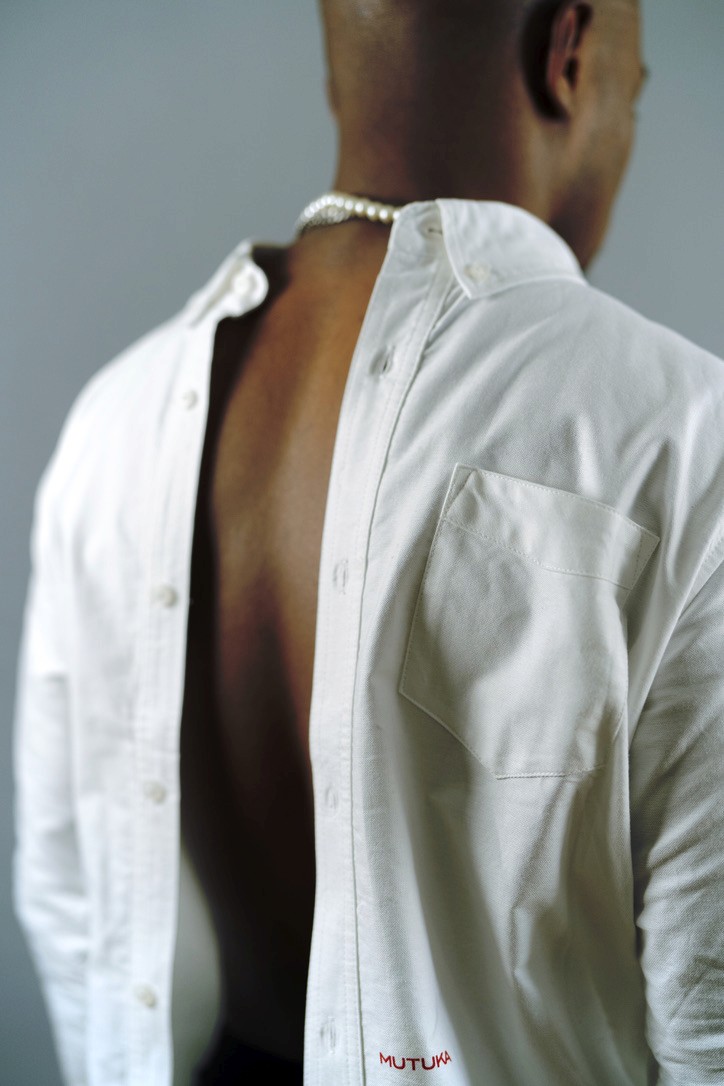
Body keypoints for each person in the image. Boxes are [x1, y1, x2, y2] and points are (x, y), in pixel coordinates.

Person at [12, 0, 724, 1082]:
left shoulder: (111, 423)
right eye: (638, 87)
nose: (628, 120)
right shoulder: (683, 432)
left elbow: (66, 896)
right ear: (569, 52)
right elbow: (709, 1014)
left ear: (337, 75)